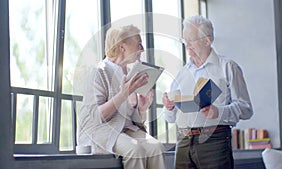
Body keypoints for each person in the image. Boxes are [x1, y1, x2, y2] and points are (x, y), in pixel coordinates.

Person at [162, 15, 254, 169]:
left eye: (191, 40)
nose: (186, 45)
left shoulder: (228, 67)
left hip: (214, 141)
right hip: (183, 143)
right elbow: (170, 118)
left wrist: (219, 112)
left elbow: (246, 109)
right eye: (185, 40)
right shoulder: (182, 74)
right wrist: (169, 107)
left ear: (207, 40)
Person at [77, 25, 166, 169]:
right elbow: (97, 116)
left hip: (125, 130)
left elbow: (131, 119)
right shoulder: (98, 72)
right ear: (122, 48)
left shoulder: (131, 74)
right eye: (138, 44)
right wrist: (123, 94)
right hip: (101, 131)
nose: (142, 49)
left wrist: (142, 109)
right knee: (135, 150)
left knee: (156, 148)